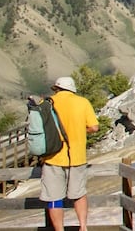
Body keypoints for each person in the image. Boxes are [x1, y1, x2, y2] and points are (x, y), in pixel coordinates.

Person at [39, 76, 99, 231]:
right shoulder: (82, 102)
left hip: (53, 156)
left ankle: (59, 230)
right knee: (78, 193)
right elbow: (94, 127)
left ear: (56, 89)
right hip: (77, 156)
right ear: (72, 89)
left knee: (54, 198)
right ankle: (83, 227)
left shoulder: (47, 103)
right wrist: (79, 131)